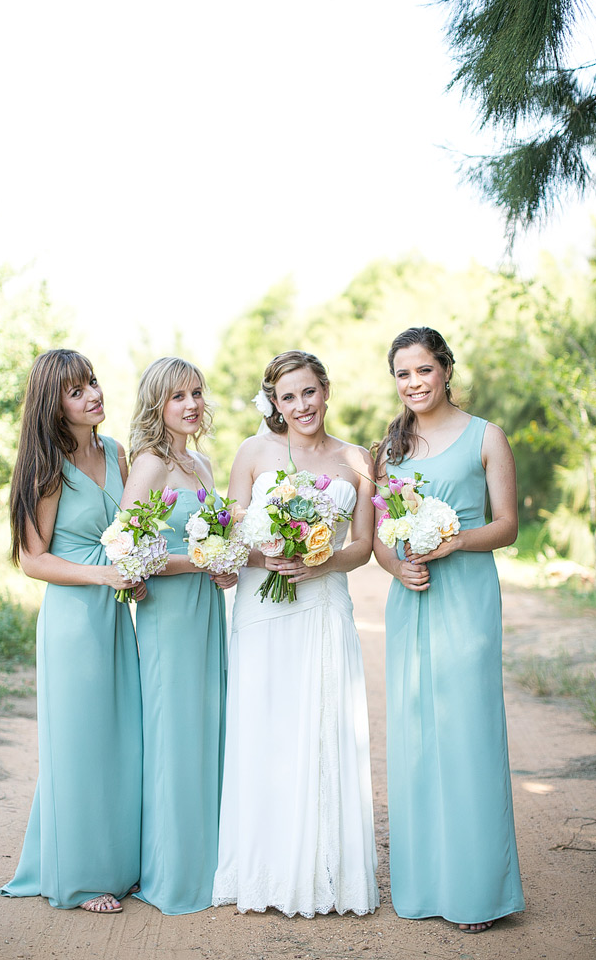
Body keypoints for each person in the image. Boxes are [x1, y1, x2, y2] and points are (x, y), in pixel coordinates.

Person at [212, 350, 380, 918]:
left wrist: (320, 561)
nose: (301, 405)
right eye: (289, 397)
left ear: (326, 391)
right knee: (265, 729)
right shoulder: (253, 453)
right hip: (263, 608)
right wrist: (273, 550)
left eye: (309, 392)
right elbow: (233, 535)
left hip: (324, 604)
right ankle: (265, 869)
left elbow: (361, 546)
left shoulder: (357, 458)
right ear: (275, 404)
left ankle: (325, 873)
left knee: (322, 729)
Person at [373, 326, 525, 933]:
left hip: (465, 597)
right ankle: (423, 884)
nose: (414, 383)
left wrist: (453, 540)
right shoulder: (389, 449)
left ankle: (477, 892)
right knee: (416, 739)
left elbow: (508, 525)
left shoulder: (487, 436)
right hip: (411, 600)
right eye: (403, 374)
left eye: (423, 370)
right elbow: (383, 536)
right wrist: (400, 564)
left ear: (445, 370)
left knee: (468, 736)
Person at [0, 349, 143, 914]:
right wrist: (103, 574)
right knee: (81, 744)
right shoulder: (49, 466)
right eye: (76, 390)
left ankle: (118, 862)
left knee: (119, 738)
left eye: (93, 383)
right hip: (73, 621)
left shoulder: (116, 452)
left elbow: (132, 528)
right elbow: (33, 560)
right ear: (53, 406)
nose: (93, 395)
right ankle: (81, 879)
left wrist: (137, 569)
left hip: (114, 614)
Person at [120, 356, 231, 915]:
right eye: (177, 397)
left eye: (196, 393)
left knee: (207, 729)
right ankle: (171, 871)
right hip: (168, 618)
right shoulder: (150, 465)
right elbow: (127, 554)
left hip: (208, 611)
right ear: (156, 405)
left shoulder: (205, 465)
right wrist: (201, 560)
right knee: (173, 735)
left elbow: (212, 544)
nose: (191, 405)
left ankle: (210, 862)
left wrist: (224, 564)